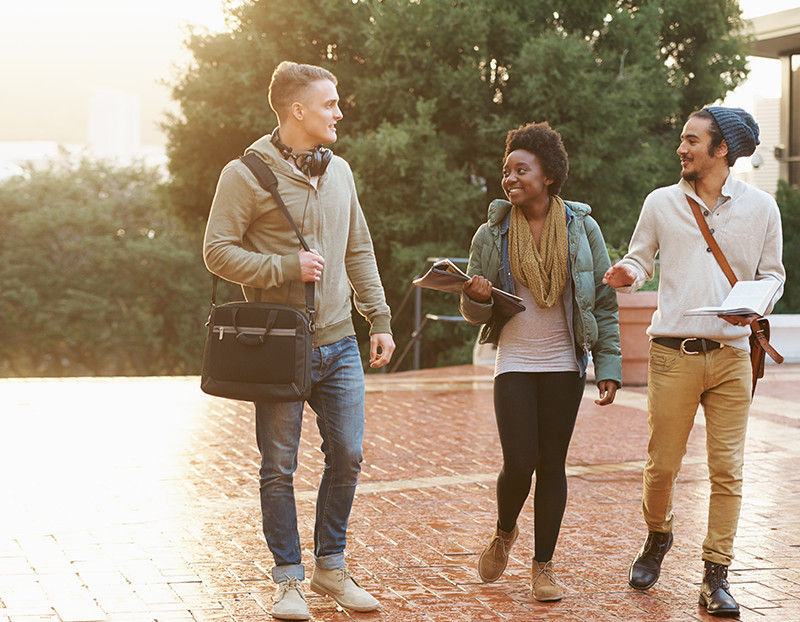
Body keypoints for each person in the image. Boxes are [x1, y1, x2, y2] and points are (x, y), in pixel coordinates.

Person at [203, 61, 395, 621]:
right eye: (330, 103)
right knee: (278, 466)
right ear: (297, 110)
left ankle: (331, 568)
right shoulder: (244, 174)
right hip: (277, 345)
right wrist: (282, 265)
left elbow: (358, 247)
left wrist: (378, 317)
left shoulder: (340, 172)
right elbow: (216, 251)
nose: (339, 112)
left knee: (349, 455)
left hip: (339, 343)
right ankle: (288, 579)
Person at [603, 107, 785, 616]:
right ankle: (658, 535)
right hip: (673, 355)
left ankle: (715, 575)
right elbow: (640, 259)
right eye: (682, 140)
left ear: (721, 149)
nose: (681, 148)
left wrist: (756, 301)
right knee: (662, 467)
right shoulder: (661, 203)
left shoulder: (762, 208)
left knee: (727, 470)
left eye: (691, 140)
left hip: (731, 356)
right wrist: (626, 272)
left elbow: (774, 275)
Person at [460, 122, 622, 601]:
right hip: (513, 360)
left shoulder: (582, 228)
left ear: (548, 175)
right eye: (506, 170)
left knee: (552, 464)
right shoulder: (492, 233)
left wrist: (607, 366)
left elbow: (604, 304)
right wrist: (476, 295)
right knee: (519, 461)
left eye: (521, 169)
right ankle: (504, 529)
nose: (510, 178)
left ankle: (543, 567)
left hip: (563, 364)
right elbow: (473, 312)